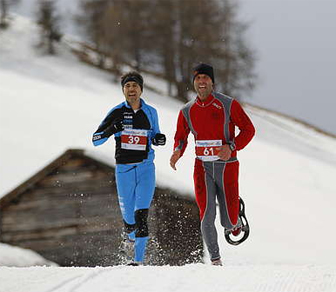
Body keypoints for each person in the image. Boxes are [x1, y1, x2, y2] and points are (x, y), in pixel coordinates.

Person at [170, 63, 255, 266]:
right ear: (194, 82)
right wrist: (177, 152)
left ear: (212, 82)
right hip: (202, 167)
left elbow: (248, 130)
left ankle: (236, 220)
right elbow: (181, 137)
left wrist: (231, 147)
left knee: (228, 221)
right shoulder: (187, 110)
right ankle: (216, 261)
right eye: (198, 78)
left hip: (227, 166)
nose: (201, 82)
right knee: (206, 214)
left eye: (205, 78)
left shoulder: (228, 104)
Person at [92, 71, 166, 265]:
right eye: (127, 86)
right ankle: (130, 238)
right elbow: (95, 140)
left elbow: (155, 135)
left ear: (141, 89)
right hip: (124, 170)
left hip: (145, 168)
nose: (131, 89)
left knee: (141, 214)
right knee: (129, 219)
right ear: (123, 90)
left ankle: (138, 261)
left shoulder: (151, 112)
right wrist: (111, 130)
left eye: (135, 86)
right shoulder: (116, 112)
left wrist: (159, 139)